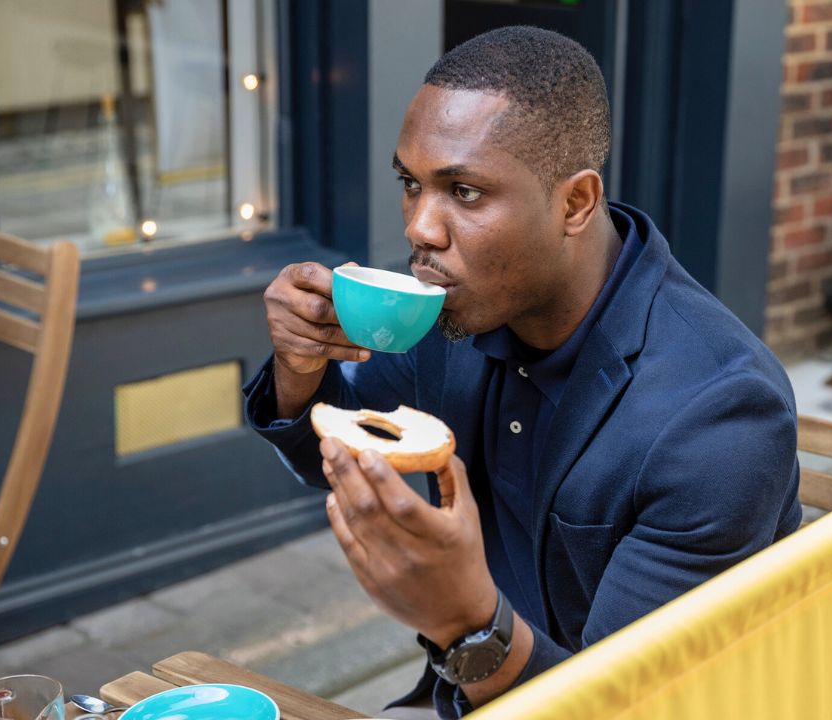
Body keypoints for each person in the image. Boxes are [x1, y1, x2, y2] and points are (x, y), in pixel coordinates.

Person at [244, 26, 800, 719]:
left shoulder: (718, 418)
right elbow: (340, 449)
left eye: (465, 191)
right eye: (410, 184)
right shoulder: (457, 310)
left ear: (575, 203)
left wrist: (468, 624)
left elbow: (620, 707)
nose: (420, 227)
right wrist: (302, 369)